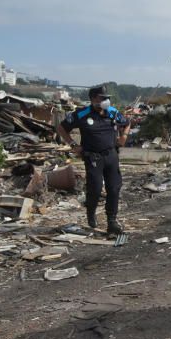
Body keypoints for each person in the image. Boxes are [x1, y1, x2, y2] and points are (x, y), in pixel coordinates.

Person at [57, 85, 129, 234]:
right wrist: (73, 145)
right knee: (95, 188)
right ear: (93, 99)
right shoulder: (82, 113)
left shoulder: (112, 112)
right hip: (93, 157)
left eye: (107, 98)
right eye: (102, 98)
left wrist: (123, 136)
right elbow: (61, 128)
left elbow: (127, 123)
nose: (106, 101)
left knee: (114, 188)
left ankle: (112, 221)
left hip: (111, 155)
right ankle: (91, 212)